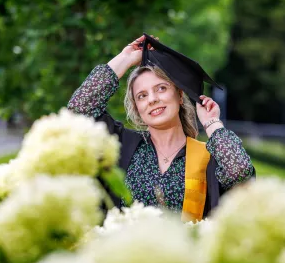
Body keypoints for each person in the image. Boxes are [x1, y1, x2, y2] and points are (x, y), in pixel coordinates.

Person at [68, 34, 255, 221]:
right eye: (142, 95)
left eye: (161, 88)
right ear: (137, 108)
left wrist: (212, 123)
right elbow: (78, 111)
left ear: (180, 95)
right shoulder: (121, 146)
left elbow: (240, 172)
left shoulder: (206, 158)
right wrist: (126, 59)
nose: (152, 99)